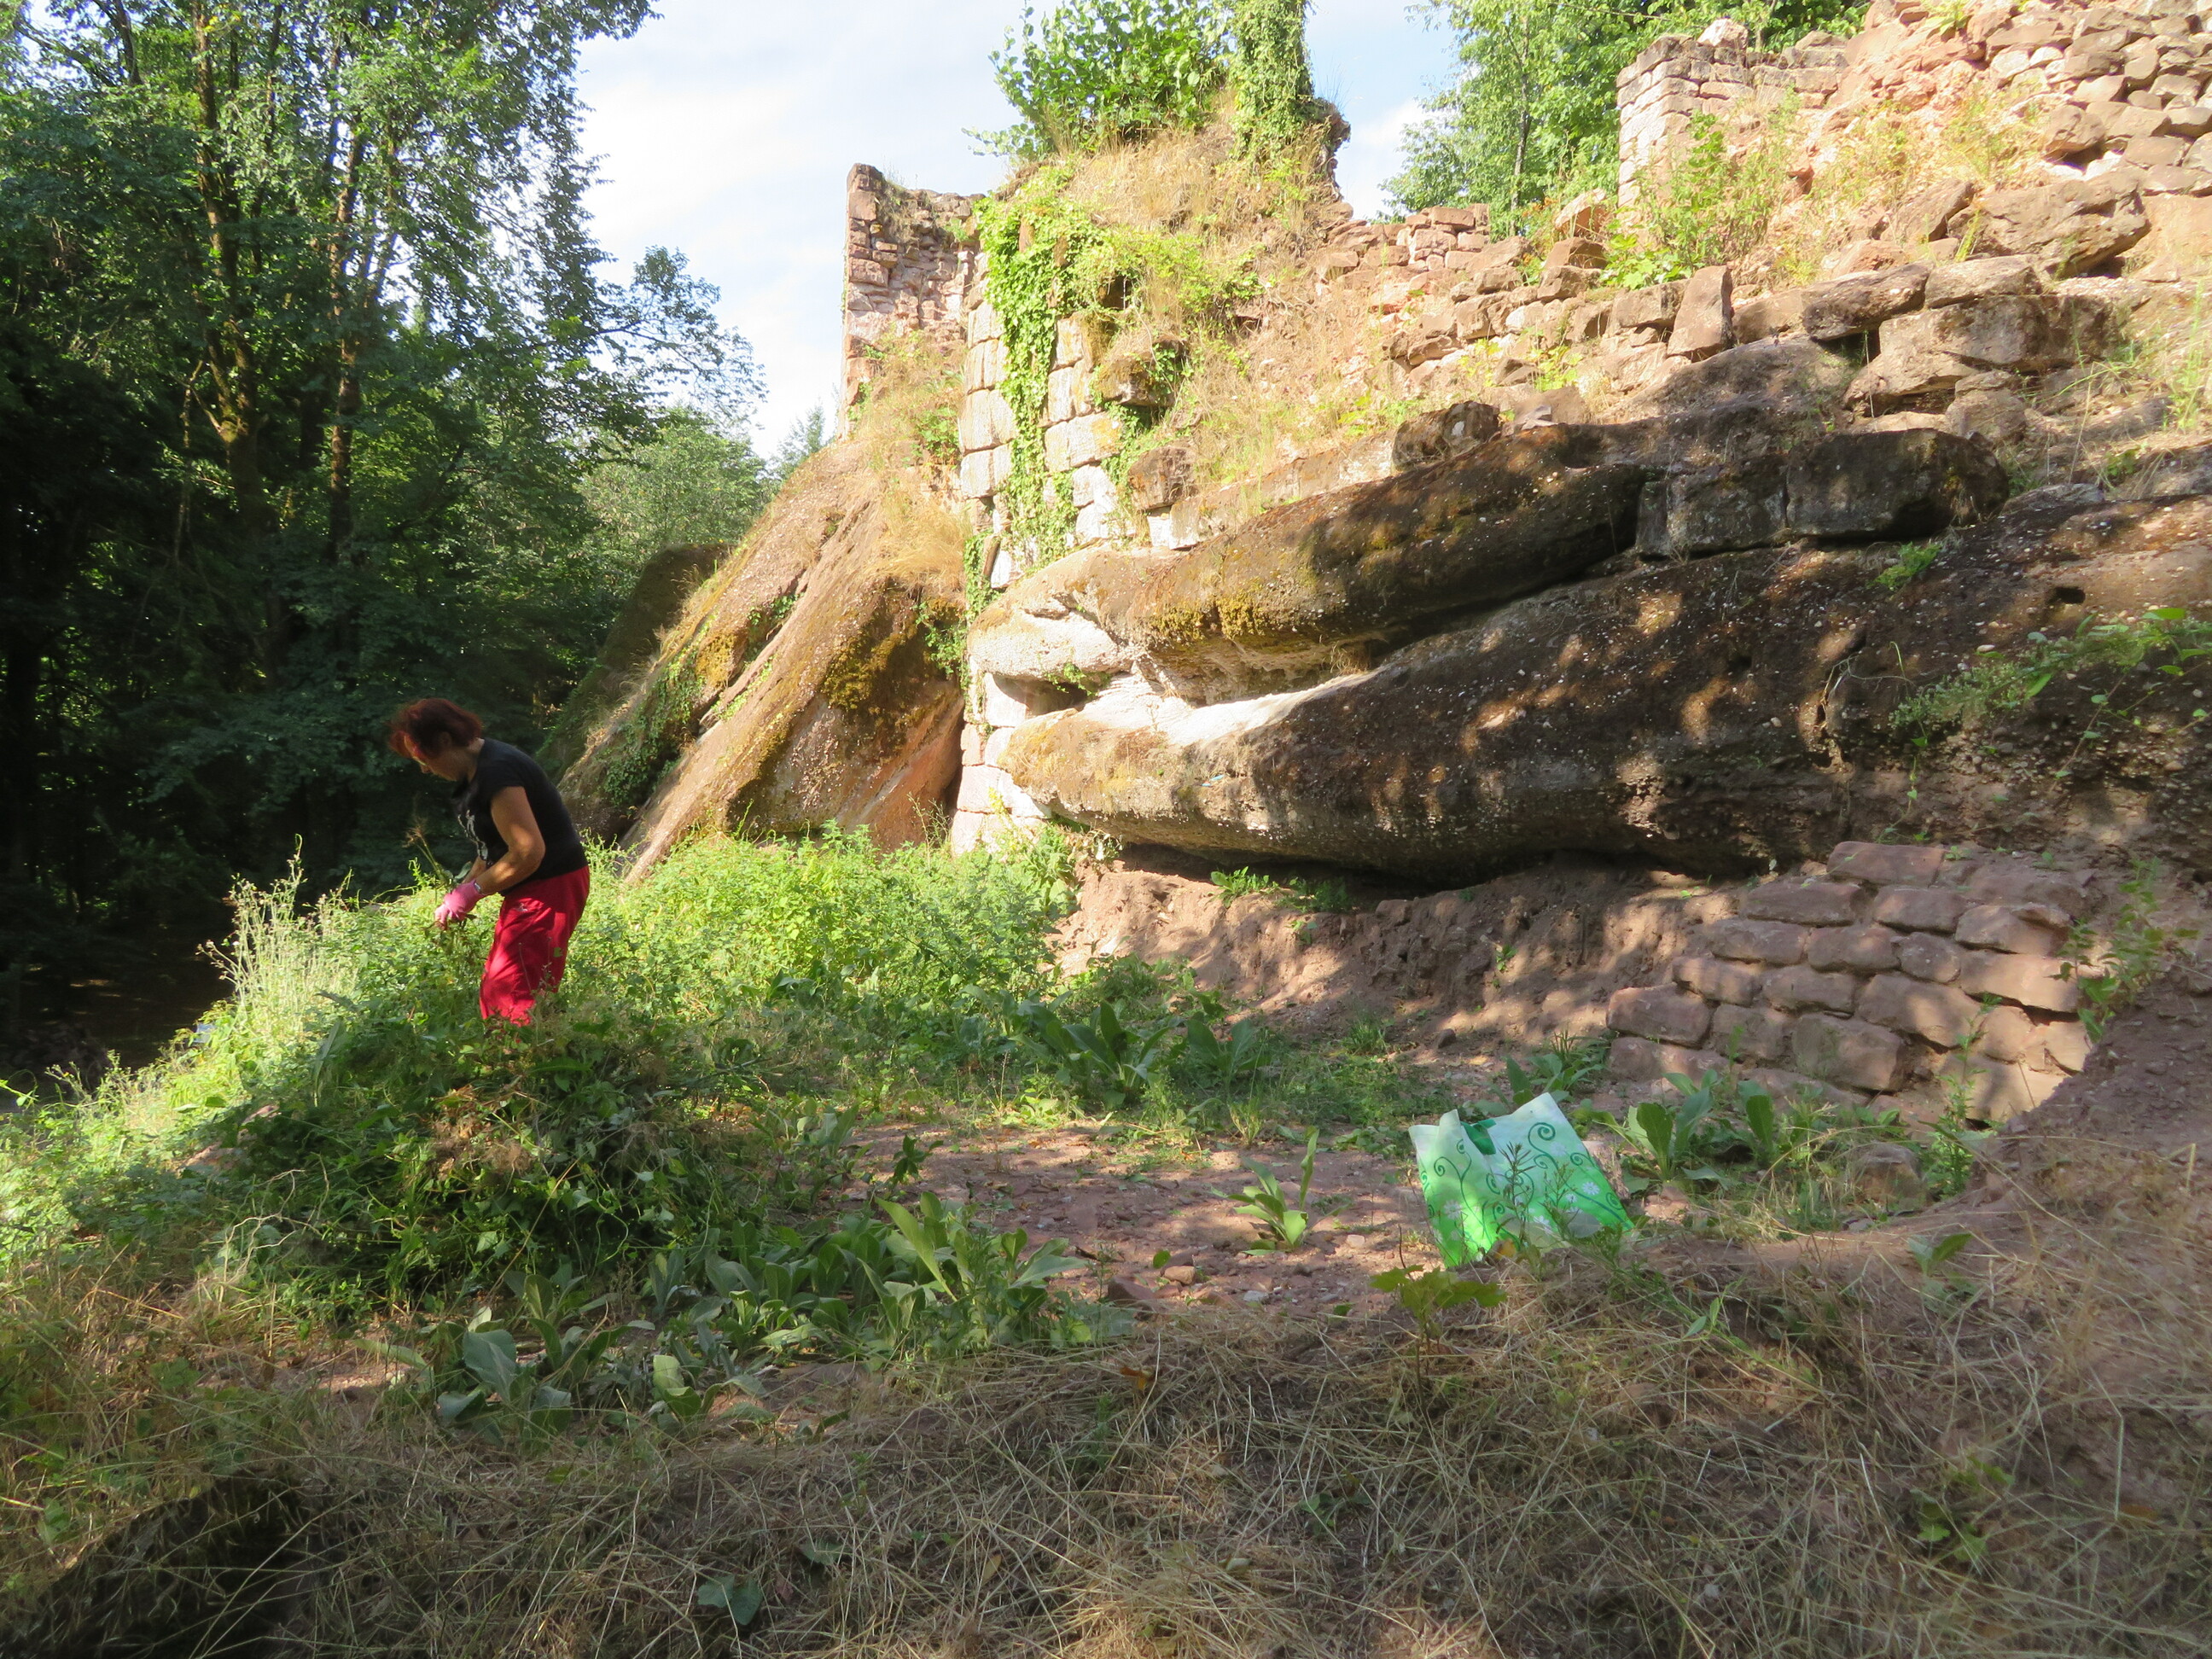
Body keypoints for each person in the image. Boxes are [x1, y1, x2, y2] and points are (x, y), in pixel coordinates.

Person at [387, 698, 591, 1025]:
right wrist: (460, 893)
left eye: (423, 758)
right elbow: (492, 849)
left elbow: (527, 852)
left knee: (510, 993)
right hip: (534, 886)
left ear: (444, 740)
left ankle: (522, 1056)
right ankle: (539, 1049)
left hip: (551, 885)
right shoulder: (476, 776)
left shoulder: (498, 772)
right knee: (506, 987)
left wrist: (473, 892)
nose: (424, 769)